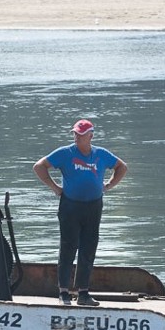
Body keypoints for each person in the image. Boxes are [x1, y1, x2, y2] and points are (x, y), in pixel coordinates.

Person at [33, 119, 128, 306]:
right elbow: (39, 166)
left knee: (88, 248)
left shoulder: (100, 154)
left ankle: (83, 293)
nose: (76, 137)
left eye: (80, 134)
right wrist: (54, 187)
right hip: (70, 206)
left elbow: (122, 167)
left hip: (93, 206)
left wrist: (108, 185)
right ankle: (64, 293)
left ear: (90, 136)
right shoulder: (65, 153)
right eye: (75, 133)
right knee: (68, 247)